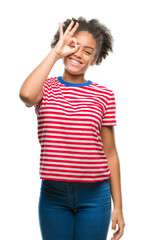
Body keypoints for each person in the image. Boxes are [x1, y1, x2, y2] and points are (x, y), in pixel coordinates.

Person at [19, 16, 125, 240]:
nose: (78, 54)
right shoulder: (45, 88)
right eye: (73, 46)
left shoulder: (104, 95)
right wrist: (56, 53)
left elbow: (111, 153)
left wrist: (118, 207)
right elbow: (26, 95)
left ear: (94, 59)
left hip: (96, 196)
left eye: (87, 51)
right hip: (53, 196)